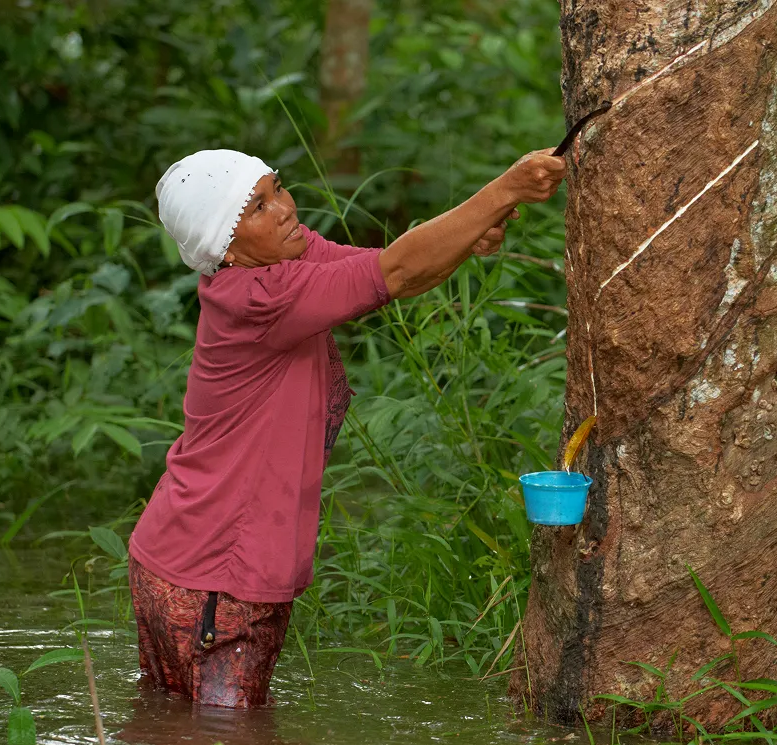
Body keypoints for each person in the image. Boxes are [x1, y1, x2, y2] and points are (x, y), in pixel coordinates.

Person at [128, 146, 566, 707]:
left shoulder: (282, 260)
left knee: (178, 742)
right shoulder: (262, 296)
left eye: (277, 189)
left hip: (186, 558)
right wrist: (505, 190)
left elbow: (389, 268)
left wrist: (466, 233)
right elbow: (400, 271)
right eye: (257, 207)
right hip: (213, 575)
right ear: (225, 248)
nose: (285, 209)